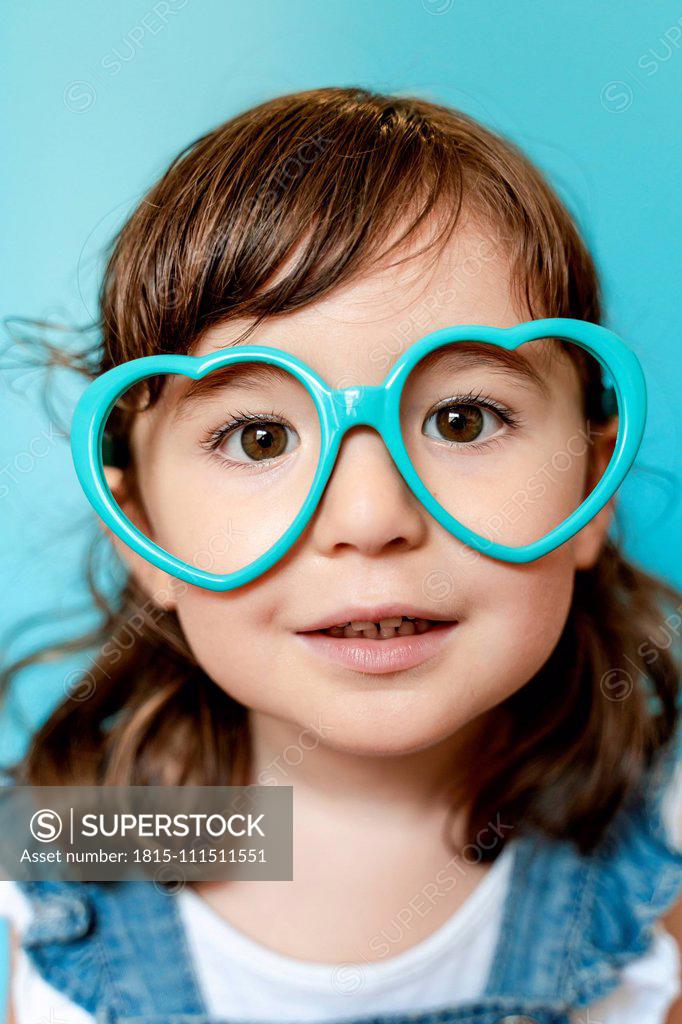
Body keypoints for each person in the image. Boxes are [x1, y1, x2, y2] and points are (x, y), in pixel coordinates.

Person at [1, 86, 680, 1024]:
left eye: (462, 418)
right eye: (259, 439)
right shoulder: (41, 886)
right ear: (145, 534)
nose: (368, 516)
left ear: (590, 492)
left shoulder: (661, 864)